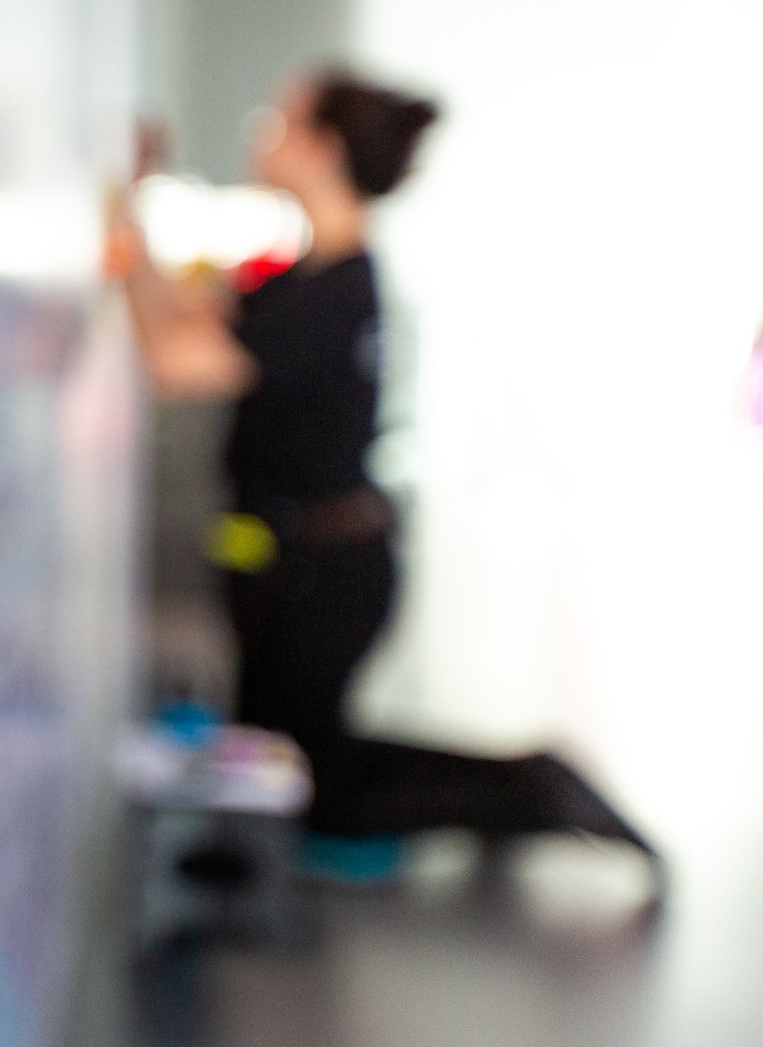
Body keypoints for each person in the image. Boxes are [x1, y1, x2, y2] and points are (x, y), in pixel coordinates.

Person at [108, 68, 661, 883]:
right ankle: (526, 784)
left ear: (324, 149)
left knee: (314, 785)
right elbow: (187, 321)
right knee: (297, 757)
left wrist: (121, 232)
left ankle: (530, 789)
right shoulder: (309, 275)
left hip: (321, 574)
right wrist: (132, 211)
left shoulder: (333, 290)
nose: (262, 134)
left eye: (282, 121)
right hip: (301, 565)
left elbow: (176, 362)